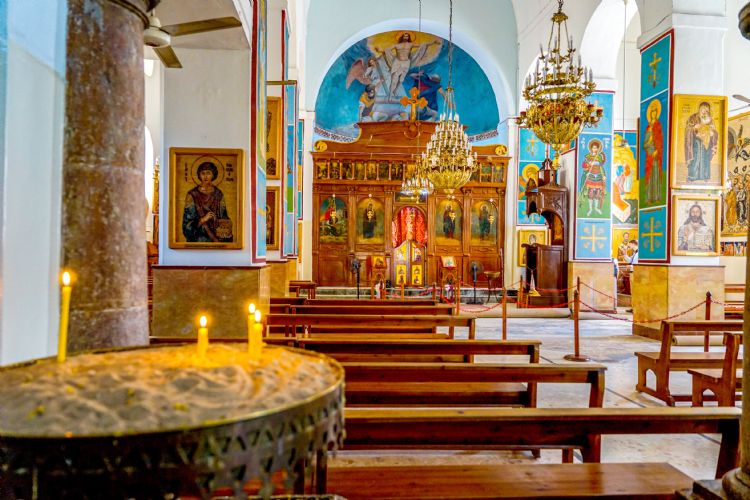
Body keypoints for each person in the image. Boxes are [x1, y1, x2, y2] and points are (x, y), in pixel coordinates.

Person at [182, 161, 232, 243]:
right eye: (203, 173)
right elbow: (187, 224)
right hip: (198, 239)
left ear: (213, 175)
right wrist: (202, 220)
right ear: (199, 175)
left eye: (208, 173)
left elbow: (224, 218)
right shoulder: (192, 195)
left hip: (216, 238)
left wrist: (225, 224)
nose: (205, 176)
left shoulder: (218, 194)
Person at [685, 101, 718, 183]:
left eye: (707, 110)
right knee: (695, 158)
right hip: (695, 142)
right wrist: (694, 128)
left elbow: (715, 132)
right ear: (699, 109)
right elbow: (688, 129)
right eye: (703, 109)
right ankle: (692, 177)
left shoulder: (710, 120)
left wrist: (712, 133)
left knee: (705, 159)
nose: (704, 112)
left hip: (706, 143)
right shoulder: (693, 117)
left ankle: (705, 176)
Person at [643, 98, 664, 204]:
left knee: (655, 174)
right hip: (649, 153)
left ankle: (656, 197)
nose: (653, 116)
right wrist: (648, 144)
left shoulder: (658, 125)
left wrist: (657, 150)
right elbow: (645, 142)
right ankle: (649, 197)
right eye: (652, 114)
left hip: (656, 153)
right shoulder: (648, 127)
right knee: (649, 175)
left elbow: (660, 139)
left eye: (655, 114)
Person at [581, 139, 606, 216]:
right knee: (591, 193)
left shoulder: (599, 157)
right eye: (593, 148)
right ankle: (590, 209)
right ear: (591, 148)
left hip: (598, 176)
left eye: (596, 148)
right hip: (591, 175)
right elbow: (584, 166)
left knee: (598, 193)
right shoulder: (588, 157)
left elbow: (601, 166)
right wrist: (588, 166)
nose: (594, 149)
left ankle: (596, 208)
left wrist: (603, 175)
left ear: (598, 149)